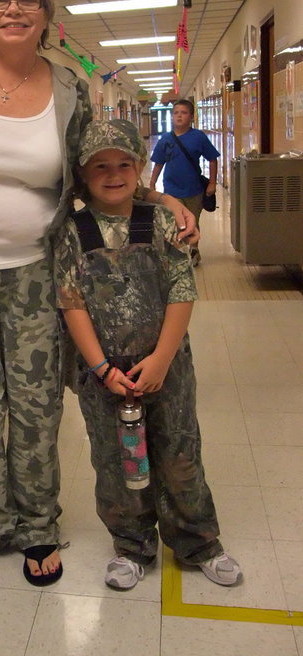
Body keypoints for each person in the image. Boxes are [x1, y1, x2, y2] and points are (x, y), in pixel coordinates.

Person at [0, 0, 199, 587]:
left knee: (38, 406)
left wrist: (163, 198)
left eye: (29, 0)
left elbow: (102, 173)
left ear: (46, 14)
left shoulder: (68, 87)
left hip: (38, 277)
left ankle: (39, 525)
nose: (13, 11)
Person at [54, 117, 242, 591]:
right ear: (82, 174)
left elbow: (182, 291)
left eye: (123, 163)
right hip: (104, 377)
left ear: (139, 168)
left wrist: (161, 359)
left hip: (168, 368)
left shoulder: (162, 221)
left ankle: (199, 542)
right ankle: (131, 545)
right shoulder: (73, 231)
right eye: (100, 166)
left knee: (180, 453)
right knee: (117, 463)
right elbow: (71, 304)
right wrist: (100, 368)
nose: (113, 174)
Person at [149, 98, 219, 266]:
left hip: (194, 190)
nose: (179, 116)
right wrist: (151, 184)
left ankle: (194, 250)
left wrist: (212, 183)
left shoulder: (198, 137)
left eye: (184, 113)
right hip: (171, 189)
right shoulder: (166, 139)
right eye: (176, 113)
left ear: (192, 117)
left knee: (193, 221)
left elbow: (213, 159)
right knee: (175, 221)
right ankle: (178, 252)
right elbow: (158, 163)